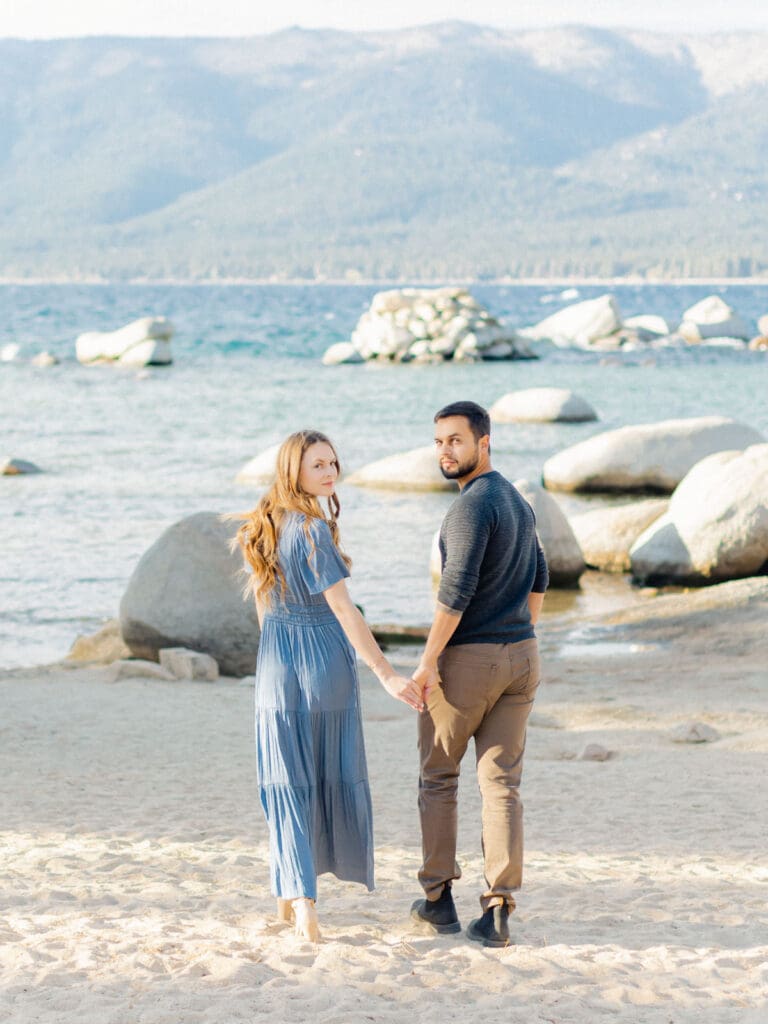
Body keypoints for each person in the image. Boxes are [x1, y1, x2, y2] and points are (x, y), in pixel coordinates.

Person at [236, 429, 423, 943]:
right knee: (323, 773)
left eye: (332, 463)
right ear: (292, 470)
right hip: (322, 662)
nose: (328, 472)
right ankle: (304, 907)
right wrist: (385, 672)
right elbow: (344, 610)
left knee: (285, 778)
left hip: (275, 665)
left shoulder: (263, 525)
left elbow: (264, 608)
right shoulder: (313, 530)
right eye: (317, 465)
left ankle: (292, 900)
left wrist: (277, 654)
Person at [410, 401, 548, 948]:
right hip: (522, 658)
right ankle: (497, 911)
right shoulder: (517, 500)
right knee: (502, 786)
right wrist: (519, 632)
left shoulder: (471, 507)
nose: (445, 451)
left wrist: (426, 662)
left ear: (483, 442)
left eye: (456, 441)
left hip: (470, 660)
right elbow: (540, 574)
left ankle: (438, 901)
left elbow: (456, 590)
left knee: (439, 778)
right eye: (439, 441)